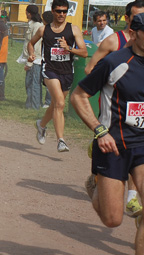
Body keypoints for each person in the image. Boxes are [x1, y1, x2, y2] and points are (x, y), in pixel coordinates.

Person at [70, 13, 144, 255]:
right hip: (114, 145)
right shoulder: (115, 63)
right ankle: (96, 186)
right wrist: (100, 131)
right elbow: (78, 96)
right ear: (133, 34)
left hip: (142, 145)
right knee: (112, 219)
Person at [83, 0, 144, 218]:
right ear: (130, 24)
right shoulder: (113, 46)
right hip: (114, 137)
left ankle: (132, 198)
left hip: (140, 139)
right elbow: (89, 71)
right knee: (112, 219)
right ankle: (98, 184)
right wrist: (109, 86)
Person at [28, 0, 88, 152]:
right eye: (59, 11)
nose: (62, 14)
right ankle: (61, 140)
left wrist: (69, 48)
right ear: (53, 11)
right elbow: (31, 43)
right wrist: (31, 54)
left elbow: (84, 52)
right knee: (60, 103)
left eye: (65, 11)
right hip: (49, 70)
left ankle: (41, 125)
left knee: (56, 104)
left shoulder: (73, 29)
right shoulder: (44, 30)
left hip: (67, 72)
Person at [21, 5, 44, 109]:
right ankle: (31, 103)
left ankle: (34, 105)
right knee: (30, 83)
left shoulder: (37, 26)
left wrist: (30, 62)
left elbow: (36, 45)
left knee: (33, 83)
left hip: (35, 59)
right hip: (31, 58)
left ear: (29, 13)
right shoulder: (32, 24)